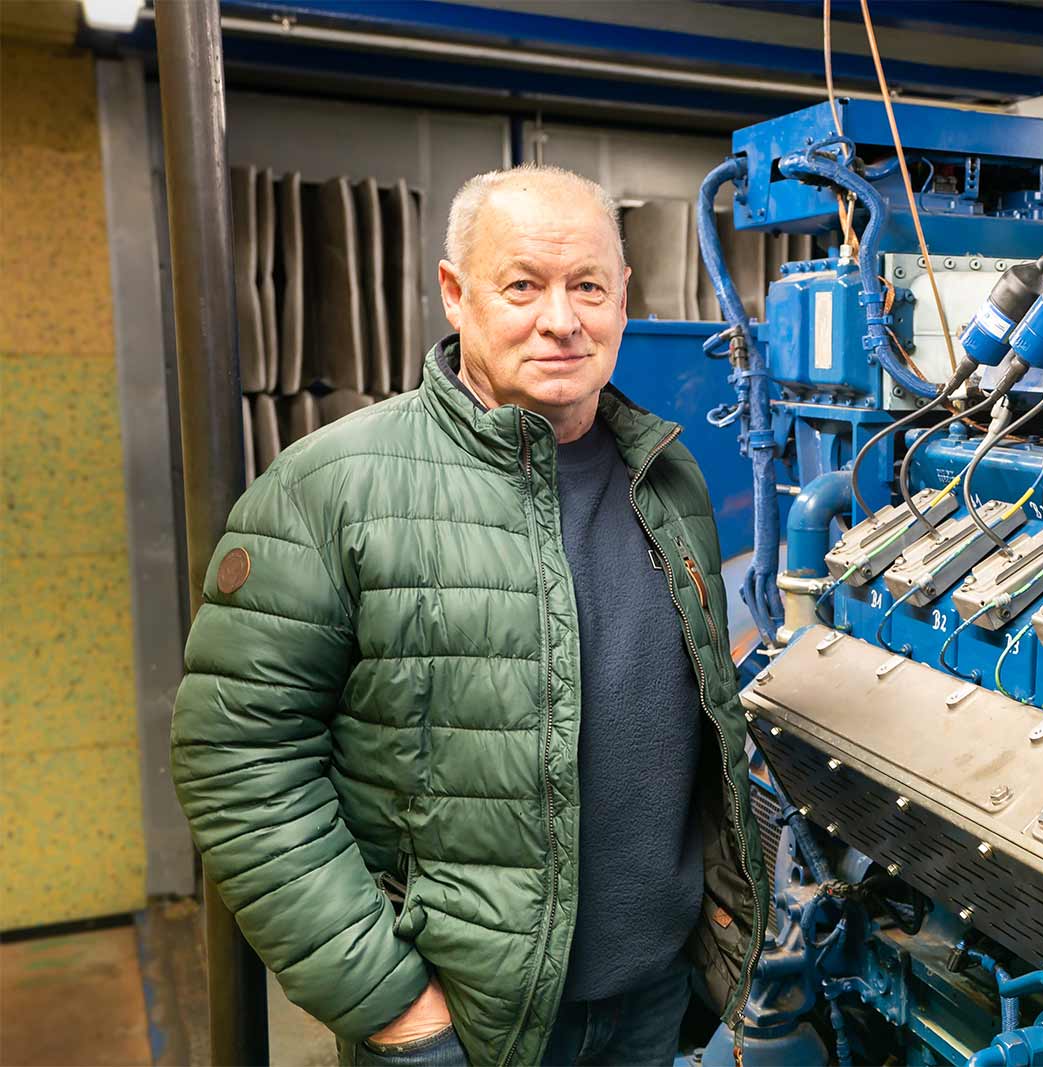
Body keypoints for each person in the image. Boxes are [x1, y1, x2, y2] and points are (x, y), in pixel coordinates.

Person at [170, 164, 767, 1066]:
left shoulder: (667, 477)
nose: (561, 319)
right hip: (463, 1026)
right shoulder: (330, 488)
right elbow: (238, 756)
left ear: (623, 297)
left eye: (588, 287)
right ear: (456, 293)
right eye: (523, 285)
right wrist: (388, 1000)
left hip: (653, 1002)